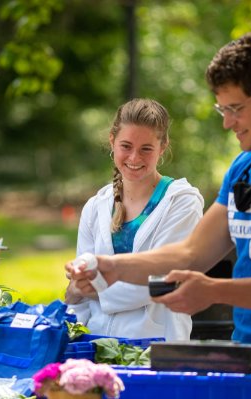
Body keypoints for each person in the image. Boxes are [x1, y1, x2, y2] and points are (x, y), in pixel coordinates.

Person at [67, 33, 251, 399]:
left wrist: (213, 290)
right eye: (224, 110)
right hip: (245, 350)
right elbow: (191, 253)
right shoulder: (244, 167)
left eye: (237, 109)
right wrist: (111, 267)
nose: (227, 123)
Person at [65, 98, 204, 341]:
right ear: (112, 141)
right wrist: (74, 294)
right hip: (95, 346)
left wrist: (92, 289)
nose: (134, 157)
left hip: (156, 348)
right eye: (126, 146)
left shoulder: (182, 202)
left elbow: (162, 282)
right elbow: (78, 291)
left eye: (146, 149)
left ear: (163, 147)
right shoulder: (96, 206)